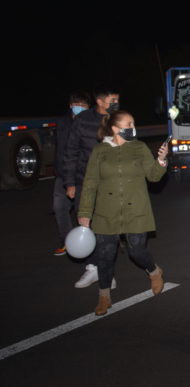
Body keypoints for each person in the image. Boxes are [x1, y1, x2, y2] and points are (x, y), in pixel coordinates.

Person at [77, 110, 168, 316]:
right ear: (115, 128)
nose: (133, 127)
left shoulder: (139, 147)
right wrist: (85, 212)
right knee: (105, 256)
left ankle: (154, 271)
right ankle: (104, 296)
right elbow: (90, 183)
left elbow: (153, 176)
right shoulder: (100, 151)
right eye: (129, 123)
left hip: (135, 209)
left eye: (133, 123)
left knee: (136, 251)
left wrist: (161, 161)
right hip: (105, 212)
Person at [61, 85, 121, 288]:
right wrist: (69, 183)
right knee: (85, 225)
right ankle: (92, 268)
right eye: (113, 100)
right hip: (84, 182)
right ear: (100, 101)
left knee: (106, 228)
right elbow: (71, 152)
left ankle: (105, 272)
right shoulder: (83, 120)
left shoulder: (120, 119)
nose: (116, 104)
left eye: (118, 100)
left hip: (110, 182)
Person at [52, 90, 90, 256]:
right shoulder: (63, 123)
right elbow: (61, 149)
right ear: (70, 106)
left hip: (83, 175)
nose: (79, 108)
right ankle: (67, 242)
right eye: (76, 105)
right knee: (59, 207)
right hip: (64, 173)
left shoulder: (91, 124)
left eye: (83, 105)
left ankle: (87, 244)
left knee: (82, 211)